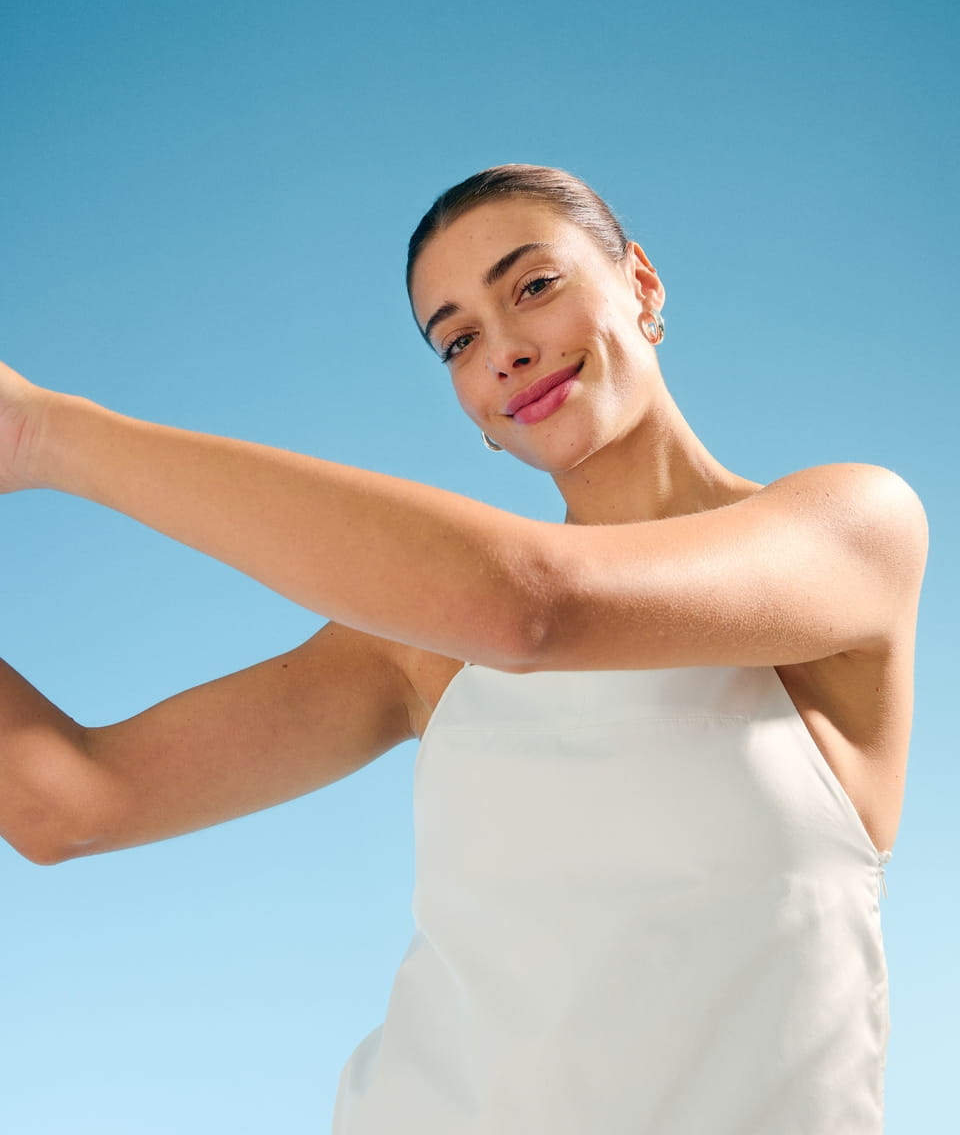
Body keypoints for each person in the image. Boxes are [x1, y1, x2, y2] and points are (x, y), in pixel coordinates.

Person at [0, 165, 927, 1133]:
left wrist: (39, 437)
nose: (506, 352)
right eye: (458, 339)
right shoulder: (414, 648)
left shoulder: (851, 530)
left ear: (642, 283)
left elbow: (532, 607)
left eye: (533, 287)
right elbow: (65, 803)